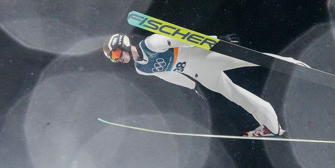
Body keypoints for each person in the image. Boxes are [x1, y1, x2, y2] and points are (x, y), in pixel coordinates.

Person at [103, 32, 287, 137]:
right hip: (199, 73)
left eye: (117, 54)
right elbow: (169, 75)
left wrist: (215, 41)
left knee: (253, 59)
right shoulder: (141, 69)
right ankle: (271, 126)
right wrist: (193, 87)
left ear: (124, 45)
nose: (118, 59)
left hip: (204, 56)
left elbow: (183, 38)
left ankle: (292, 64)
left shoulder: (151, 43)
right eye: (114, 58)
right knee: (236, 95)